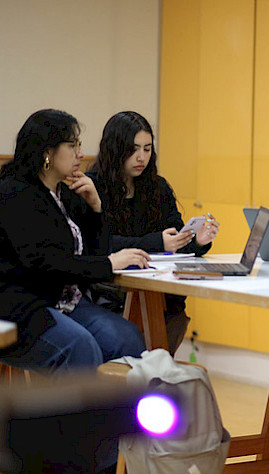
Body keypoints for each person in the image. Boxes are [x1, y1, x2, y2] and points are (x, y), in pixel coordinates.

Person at [0, 109, 149, 375]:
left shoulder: (66, 192)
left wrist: (96, 208)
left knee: (127, 338)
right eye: (73, 145)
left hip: (64, 301)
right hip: (22, 306)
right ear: (48, 152)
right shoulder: (14, 193)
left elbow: (97, 250)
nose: (80, 153)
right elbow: (47, 263)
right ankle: (82, 417)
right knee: (80, 348)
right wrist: (108, 263)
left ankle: (120, 415)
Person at [88, 111, 220, 354]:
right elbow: (97, 243)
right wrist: (155, 243)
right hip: (109, 290)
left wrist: (197, 241)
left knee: (170, 317)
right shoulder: (92, 186)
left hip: (159, 293)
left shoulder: (157, 187)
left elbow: (175, 239)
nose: (141, 157)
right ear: (115, 148)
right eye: (134, 149)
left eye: (147, 149)